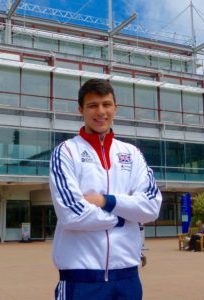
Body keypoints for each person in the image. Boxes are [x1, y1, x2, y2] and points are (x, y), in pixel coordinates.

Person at [49, 78, 162, 300]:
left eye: (106, 104)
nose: (101, 112)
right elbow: (72, 214)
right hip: (80, 278)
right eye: (93, 105)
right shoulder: (65, 152)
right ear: (81, 109)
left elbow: (151, 208)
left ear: (115, 108)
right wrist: (124, 217)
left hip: (127, 278)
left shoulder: (133, 154)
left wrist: (106, 201)